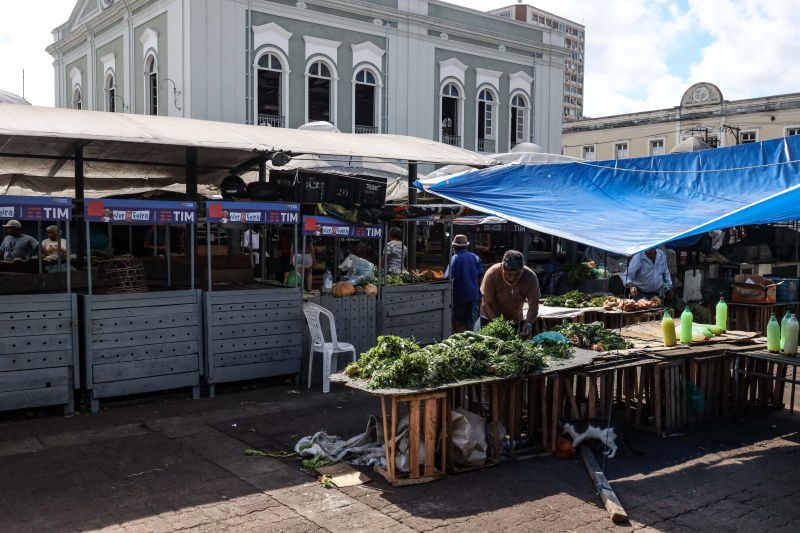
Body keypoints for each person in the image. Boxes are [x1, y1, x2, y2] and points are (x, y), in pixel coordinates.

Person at [480, 249, 540, 339]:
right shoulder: (492, 274)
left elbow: (534, 304)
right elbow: (486, 304)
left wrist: (528, 324)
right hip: (489, 317)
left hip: (514, 318)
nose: (512, 278)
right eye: (508, 274)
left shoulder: (530, 278)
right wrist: (498, 325)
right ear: (502, 267)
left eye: (517, 274)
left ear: (522, 269)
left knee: (511, 346)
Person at [444, 234, 484, 333]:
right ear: (466, 246)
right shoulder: (475, 257)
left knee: (456, 320)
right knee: (471, 323)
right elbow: (481, 276)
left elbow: (446, 277)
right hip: (474, 295)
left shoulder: (455, 258)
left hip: (459, 297)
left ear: (454, 247)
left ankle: (460, 337)